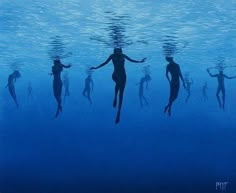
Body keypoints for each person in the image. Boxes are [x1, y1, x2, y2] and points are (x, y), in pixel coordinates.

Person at [90, 48, 146, 124]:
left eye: (119, 50)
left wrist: (140, 61)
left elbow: (132, 60)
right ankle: (115, 96)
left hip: (123, 76)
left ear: (120, 50)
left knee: (121, 93)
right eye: (116, 50)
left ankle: (118, 112)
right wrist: (96, 67)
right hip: (115, 75)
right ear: (115, 50)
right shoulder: (112, 56)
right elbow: (104, 63)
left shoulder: (123, 55)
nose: (118, 52)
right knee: (119, 87)